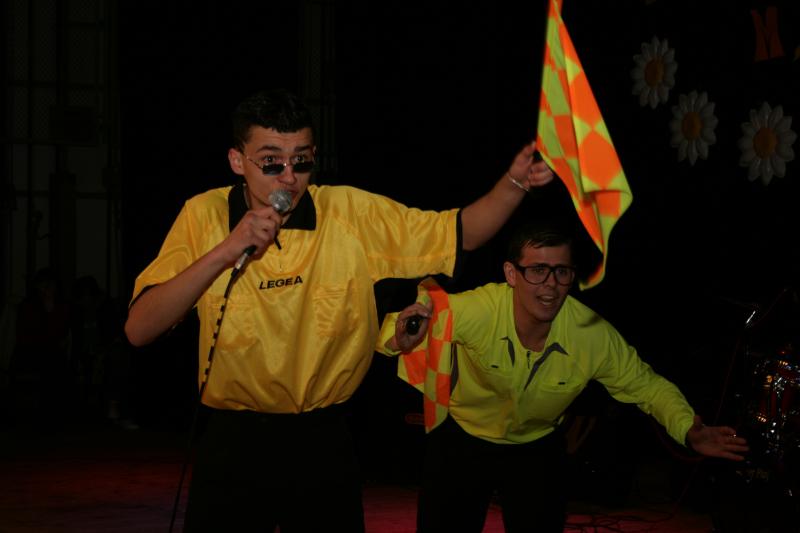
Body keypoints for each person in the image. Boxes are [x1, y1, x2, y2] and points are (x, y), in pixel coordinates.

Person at [123, 88, 554, 532]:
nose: (289, 177)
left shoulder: (350, 212)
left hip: (322, 443)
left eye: (301, 161)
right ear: (237, 160)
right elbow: (139, 329)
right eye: (271, 162)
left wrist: (514, 183)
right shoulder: (202, 214)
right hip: (234, 442)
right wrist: (226, 250)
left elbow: (461, 233)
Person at [378, 218, 750, 533]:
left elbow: (647, 386)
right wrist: (398, 338)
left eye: (562, 272)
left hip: (535, 448)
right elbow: (408, 323)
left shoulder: (591, 335)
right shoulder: (478, 310)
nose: (551, 284)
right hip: (463, 437)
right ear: (511, 273)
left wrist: (688, 429)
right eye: (538, 270)